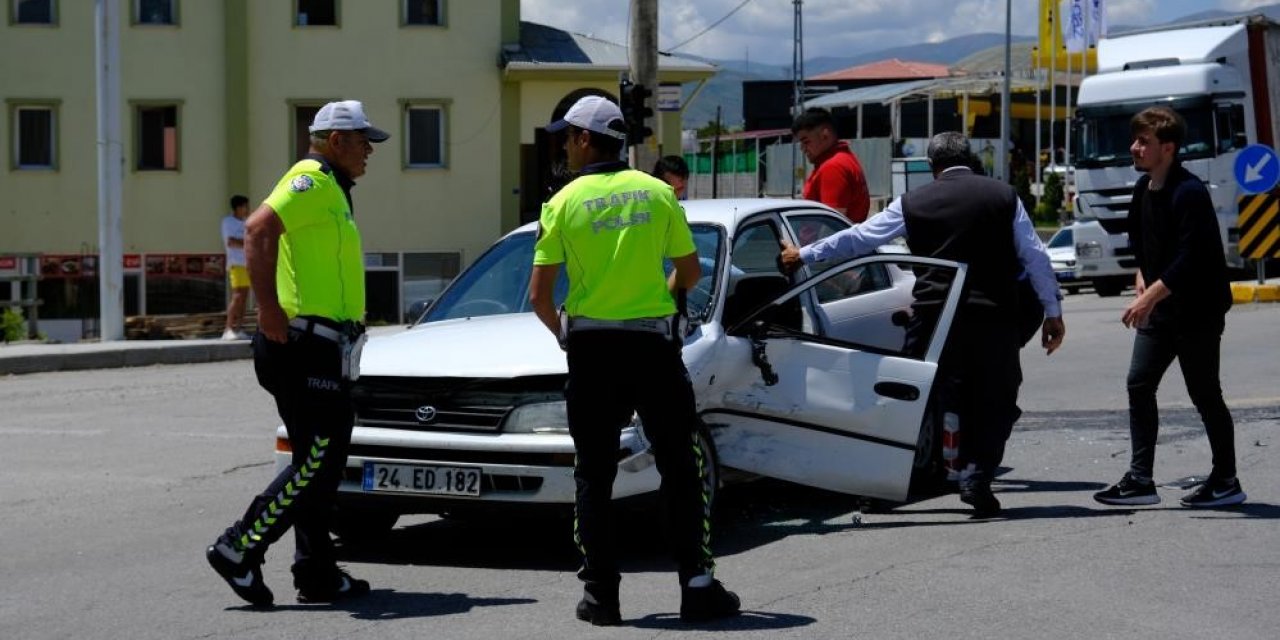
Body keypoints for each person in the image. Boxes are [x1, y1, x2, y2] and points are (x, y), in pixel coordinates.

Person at [529, 95, 740, 626]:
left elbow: (539, 296)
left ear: (583, 140)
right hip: (653, 349)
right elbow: (690, 274)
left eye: (566, 138)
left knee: (594, 475)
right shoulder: (658, 193)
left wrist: (565, 335)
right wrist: (665, 298)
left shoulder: (562, 202)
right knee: (680, 468)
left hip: (593, 352)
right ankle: (697, 586)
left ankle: (601, 596)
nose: (563, 148)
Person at [779, 131, 1066, 517]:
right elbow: (1035, 257)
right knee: (995, 397)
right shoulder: (1003, 196)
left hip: (933, 317)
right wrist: (1052, 311)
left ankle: (881, 487)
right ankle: (977, 477)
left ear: (933, 167)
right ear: (970, 159)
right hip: (994, 316)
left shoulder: (913, 203)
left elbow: (860, 239)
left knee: (907, 399)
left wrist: (806, 254)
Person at [205, 100, 389, 607]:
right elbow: (258, 229)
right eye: (363, 142)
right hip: (301, 344)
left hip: (324, 345)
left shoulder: (332, 190)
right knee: (319, 458)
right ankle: (239, 545)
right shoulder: (309, 179)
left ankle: (316, 571)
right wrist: (266, 308)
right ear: (336, 141)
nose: (370, 152)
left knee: (321, 462)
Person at [1093, 106, 1244, 508]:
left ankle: (1226, 479)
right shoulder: (1144, 190)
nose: (1134, 147)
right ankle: (1141, 479)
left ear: (1168, 148)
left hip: (1197, 310)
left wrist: (1148, 296)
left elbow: (1189, 258)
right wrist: (1142, 275)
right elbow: (1141, 242)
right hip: (1162, 310)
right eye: (1136, 139)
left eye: (1144, 141)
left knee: (1204, 393)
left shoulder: (1189, 192)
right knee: (1139, 383)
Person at [792, 107, 870, 222]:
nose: (803, 149)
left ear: (825, 134)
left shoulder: (833, 167)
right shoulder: (843, 158)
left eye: (806, 141)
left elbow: (831, 225)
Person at [221, 195, 252, 340]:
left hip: (248, 264)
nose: (247, 209)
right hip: (236, 264)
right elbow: (231, 242)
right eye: (245, 206)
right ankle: (228, 328)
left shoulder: (247, 222)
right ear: (238, 207)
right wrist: (247, 242)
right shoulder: (228, 222)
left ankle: (239, 328)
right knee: (237, 296)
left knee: (244, 298)